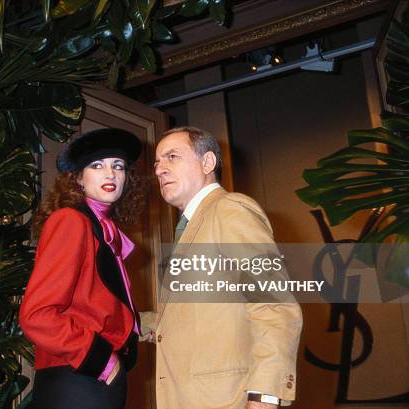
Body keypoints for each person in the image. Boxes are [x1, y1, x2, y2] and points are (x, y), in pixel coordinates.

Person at [141, 126, 303, 409]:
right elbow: (199, 318)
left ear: (208, 163)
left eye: (172, 157)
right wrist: (128, 322)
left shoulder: (230, 209)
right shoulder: (191, 227)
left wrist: (264, 397)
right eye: (157, 162)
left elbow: (274, 305)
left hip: (227, 400)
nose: (159, 170)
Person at [20, 128, 143, 409]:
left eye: (118, 166)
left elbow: (95, 304)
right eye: (97, 165)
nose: (110, 174)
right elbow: (37, 315)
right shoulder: (71, 221)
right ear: (77, 178)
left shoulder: (102, 229)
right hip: (78, 377)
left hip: (89, 378)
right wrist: (102, 360)